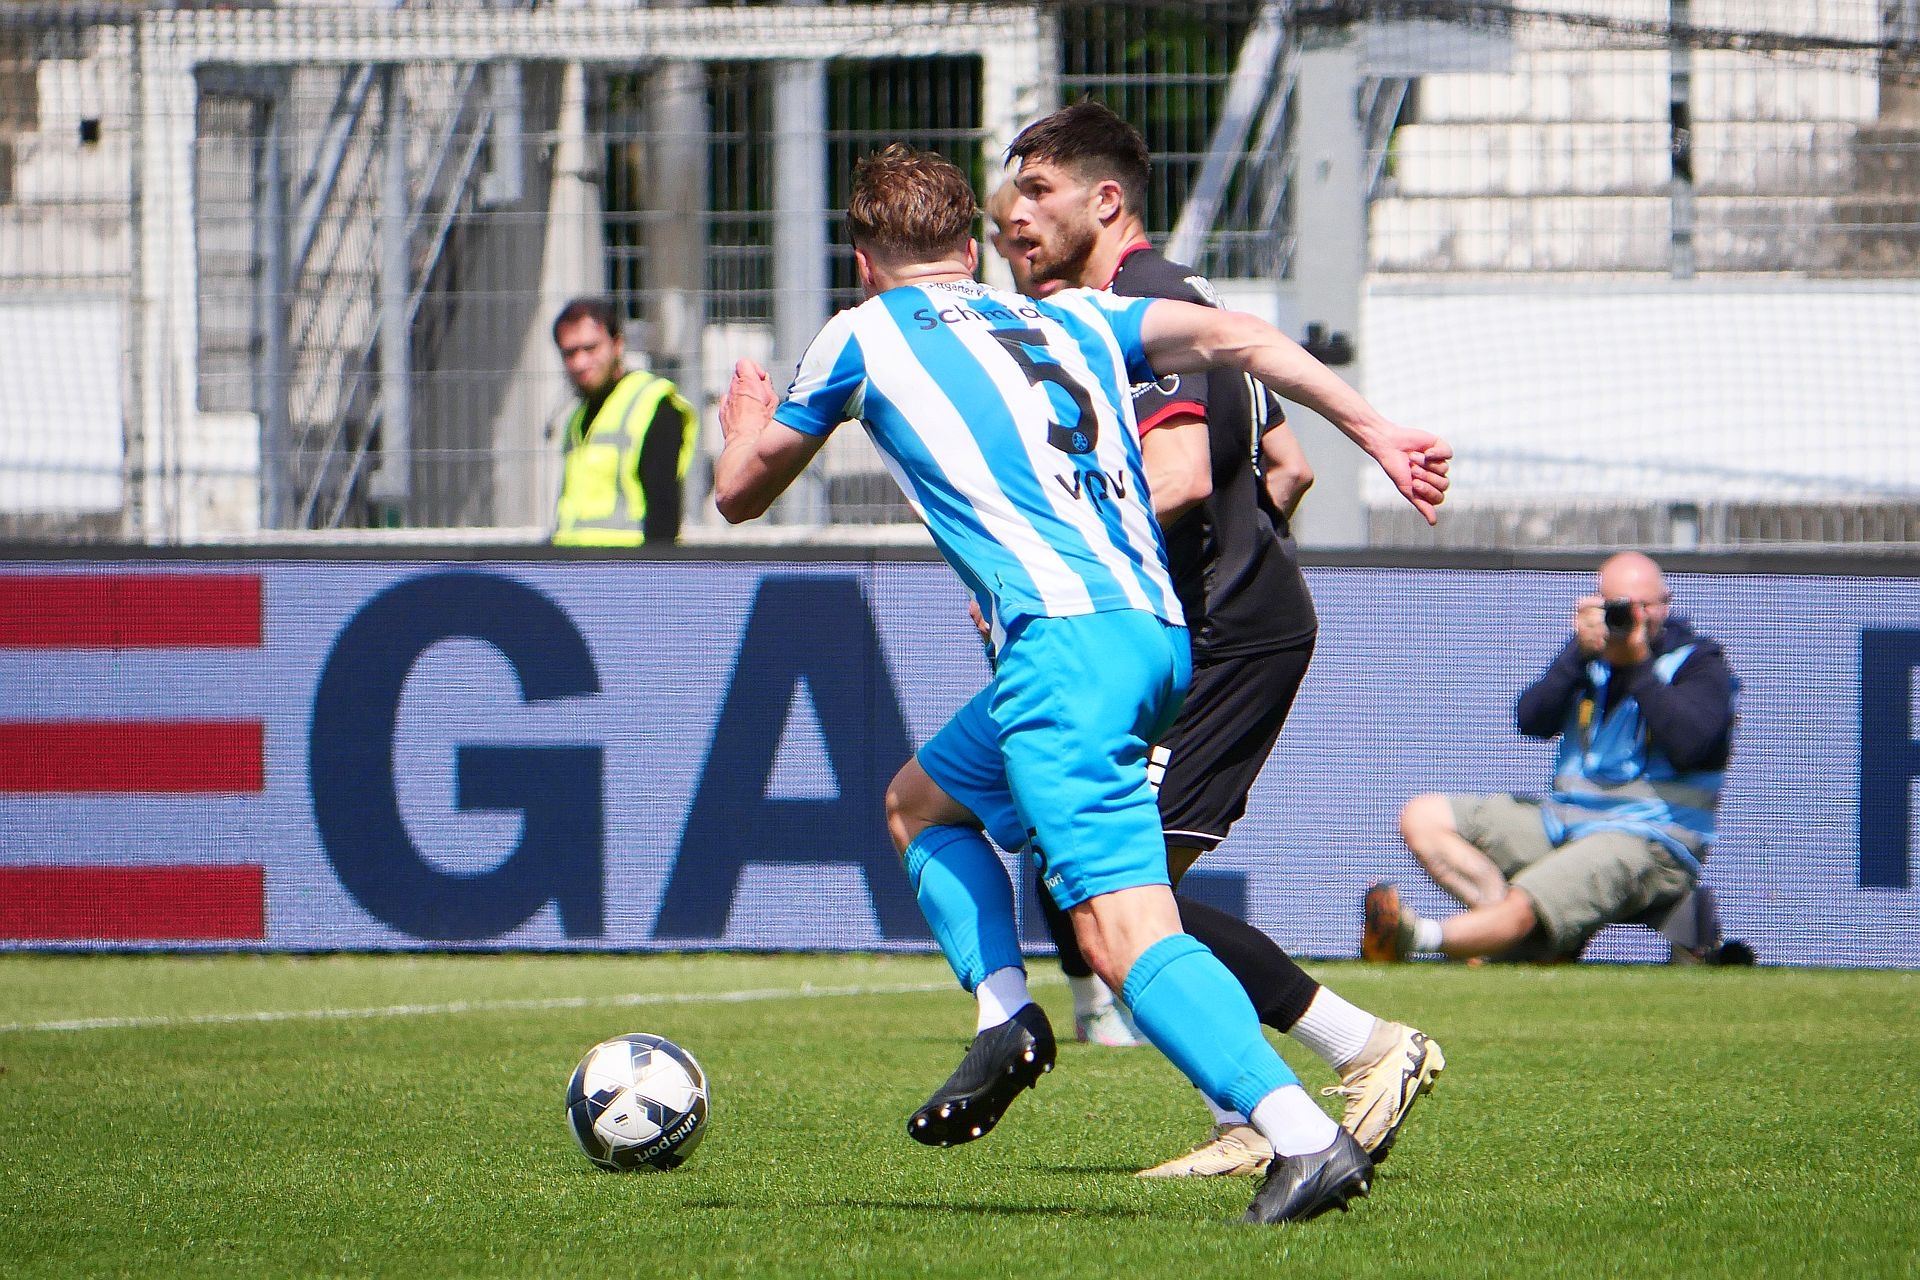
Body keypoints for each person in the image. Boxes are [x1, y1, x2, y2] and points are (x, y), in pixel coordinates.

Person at [715, 143, 1449, 1223]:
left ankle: (1302, 1136)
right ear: (971, 250)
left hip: (1065, 653)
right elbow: (1242, 338)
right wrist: (1376, 431)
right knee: (920, 803)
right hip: (1155, 634)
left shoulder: (860, 333)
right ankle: (1005, 1018)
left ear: (863, 263)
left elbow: (739, 492)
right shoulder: (1071, 316)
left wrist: (743, 421)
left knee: (1121, 931)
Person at [1002, 99, 1446, 1178]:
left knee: (1122, 893)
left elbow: (1182, 476)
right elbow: (1285, 466)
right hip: (1229, 620)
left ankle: (1361, 1048)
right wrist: (1243, 560)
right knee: (1104, 889)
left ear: (1107, 200)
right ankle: (1249, 1106)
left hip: (1224, 636)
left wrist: (1079, 560)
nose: (1012, 212)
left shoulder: (1139, 306)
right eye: (1010, 191)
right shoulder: (1184, 308)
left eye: (1038, 190)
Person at [1367, 551, 1737, 964]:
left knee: (1530, 896)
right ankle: (1501, 932)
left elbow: (1693, 745)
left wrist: (1638, 669)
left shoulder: (1698, 664)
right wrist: (1576, 655)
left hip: (1649, 841)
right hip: (1565, 824)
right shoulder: (1591, 659)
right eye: (1618, 606)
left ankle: (1415, 936)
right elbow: (1532, 720)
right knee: (1424, 816)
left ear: (1665, 605)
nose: (1632, 617)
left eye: (1643, 606)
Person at [550, 296, 697, 546]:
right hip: (575, 566)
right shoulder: (577, 419)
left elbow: (664, 514)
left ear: (617, 344)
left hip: (627, 566)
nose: (580, 363)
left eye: (590, 348)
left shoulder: (653, 404)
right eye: (570, 353)